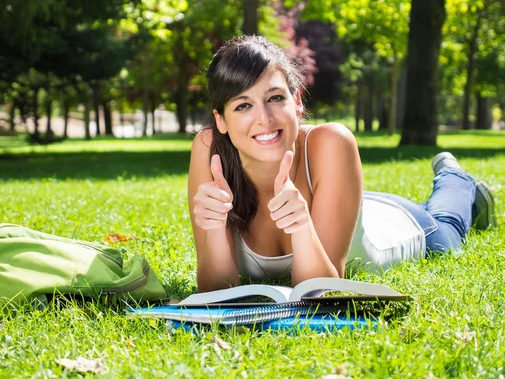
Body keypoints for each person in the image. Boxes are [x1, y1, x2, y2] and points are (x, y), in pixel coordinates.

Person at [188, 35, 498, 292]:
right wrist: (214, 229)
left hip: (399, 223)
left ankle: (455, 178)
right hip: (349, 201)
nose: (264, 119)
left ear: (296, 102)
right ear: (221, 120)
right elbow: (217, 292)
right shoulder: (209, 149)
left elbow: (319, 290)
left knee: (447, 228)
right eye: (243, 105)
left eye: (275, 98)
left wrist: (302, 225)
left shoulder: (331, 142)